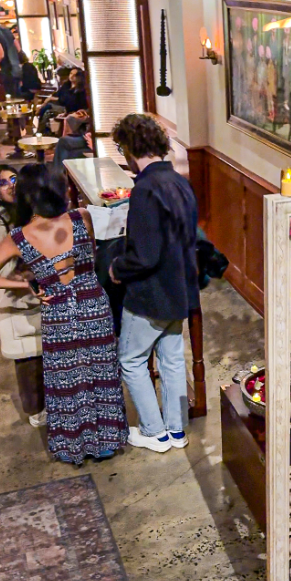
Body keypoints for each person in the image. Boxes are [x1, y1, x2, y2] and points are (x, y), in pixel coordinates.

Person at [0, 164, 128, 464]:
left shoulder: (17, 238)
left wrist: (25, 284)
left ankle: (75, 446)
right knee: (101, 374)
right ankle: (105, 442)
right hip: (93, 305)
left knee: (69, 380)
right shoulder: (83, 218)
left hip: (58, 313)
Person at [109, 114, 200, 453]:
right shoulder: (180, 183)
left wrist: (118, 267)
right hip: (179, 289)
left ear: (131, 148)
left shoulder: (145, 189)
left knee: (131, 361)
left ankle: (154, 432)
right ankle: (177, 432)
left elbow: (144, 256)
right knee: (172, 360)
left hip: (151, 295)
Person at [0, 165, 45, 427]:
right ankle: (37, 411)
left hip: (36, 298)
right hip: (14, 302)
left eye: (13, 178)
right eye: (2, 183)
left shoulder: (27, 214)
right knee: (28, 361)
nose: (11, 185)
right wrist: (21, 283)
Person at [0, 14, 22, 96]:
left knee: (8, 98)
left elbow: (0, 54)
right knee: (16, 97)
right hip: (16, 70)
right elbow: (18, 48)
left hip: (6, 72)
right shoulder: (6, 30)